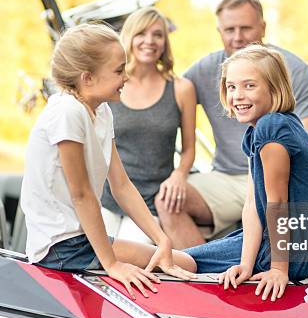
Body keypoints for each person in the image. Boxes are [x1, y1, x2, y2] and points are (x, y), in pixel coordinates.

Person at [20, 22, 196, 300]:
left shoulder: (101, 112)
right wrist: (112, 264)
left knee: (181, 259)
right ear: (87, 78)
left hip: (81, 239)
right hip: (62, 246)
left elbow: (121, 185)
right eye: (118, 71)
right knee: (186, 263)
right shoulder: (67, 112)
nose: (126, 77)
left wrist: (161, 238)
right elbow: (82, 195)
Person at [158, 0, 308, 249]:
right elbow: (160, 105)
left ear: (263, 27)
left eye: (245, 28)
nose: (237, 37)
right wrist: (177, 173)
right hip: (227, 179)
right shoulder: (204, 69)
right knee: (168, 199)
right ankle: (201, 279)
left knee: (271, 210)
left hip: (284, 179)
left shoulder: (293, 69)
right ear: (219, 31)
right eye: (229, 29)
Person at [184, 44, 308, 302]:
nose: (238, 95)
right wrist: (245, 264)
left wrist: (278, 270)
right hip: (296, 250)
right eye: (231, 87)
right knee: (188, 256)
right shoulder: (264, 129)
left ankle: (98, 253)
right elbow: (253, 204)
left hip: (291, 255)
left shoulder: (272, 127)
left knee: (180, 260)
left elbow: (277, 203)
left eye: (249, 86)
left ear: (274, 89)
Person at [100, 8, 196, 245]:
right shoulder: (110, 83)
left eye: (158, 35)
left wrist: (179, 175)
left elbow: (189, 149)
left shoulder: (182, 88)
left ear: (165, 42)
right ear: (129, 37)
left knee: (133, 257)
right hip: (106, 197)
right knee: (94, 259)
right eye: (141, 33)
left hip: (149, 202)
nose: (150, 41)